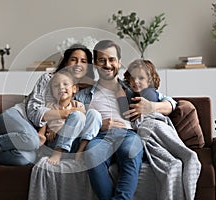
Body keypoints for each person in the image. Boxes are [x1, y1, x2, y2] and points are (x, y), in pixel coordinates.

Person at [0, 43, 97, 166]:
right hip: (17, 118)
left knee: (25, 159)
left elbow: (79, 122)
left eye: (83, 61)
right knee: (32, 140)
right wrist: (64, 114)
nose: (78, 64)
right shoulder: (48, 79)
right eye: (74, 59)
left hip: (36, 143)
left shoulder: (84, 93)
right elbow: (33, 111)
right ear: (65, 62)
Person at [74, 40, 177, 199]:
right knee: (92, 154)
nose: (107, 64)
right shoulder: (83, 95)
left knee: (131, 151)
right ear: (95, 64)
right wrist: (99, 124)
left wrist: (151, 107)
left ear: (119, 62)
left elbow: (171, 104)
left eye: (111, 59)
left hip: (128, 134)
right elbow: (73, 122)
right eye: (102, 60)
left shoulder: (133, 87)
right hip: (99, 137)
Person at [39, 69, 101, 165]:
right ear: (52, 92)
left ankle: (81, 150)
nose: (61, 87)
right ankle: (58, 153)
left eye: (65, 84)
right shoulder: (49, 106)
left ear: (74, 89)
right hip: (55, 142)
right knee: (77, 115)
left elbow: (82, 122)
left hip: (75, 143)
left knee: (93, 113)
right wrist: (47, 130)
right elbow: (42, 121)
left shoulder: (78, 105)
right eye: (56, 86)